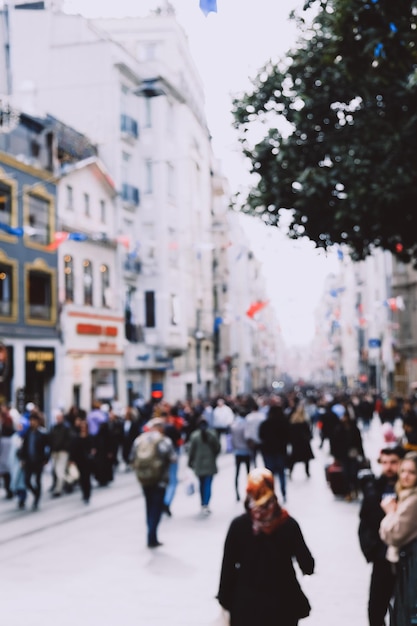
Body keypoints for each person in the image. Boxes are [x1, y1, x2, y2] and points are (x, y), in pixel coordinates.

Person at [217, 467, 314, 626]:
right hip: (283, 603)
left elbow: (227, 566)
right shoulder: (288, 524)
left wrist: (225, 600)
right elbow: (307, 564)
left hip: (246, 604)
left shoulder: (239, 526)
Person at [358, 445, 404, 626]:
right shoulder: (373, 489)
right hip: (382, 558)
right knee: (376, 609)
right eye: (384, 462)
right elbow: (364, 523)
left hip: (405, 558)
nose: (389, 467)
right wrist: (372, 550)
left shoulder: (408, 490)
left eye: (393, 462)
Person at [379, 451, 417, 625]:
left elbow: (394, 535)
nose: (406, 476)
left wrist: (390, 513)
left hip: (408, 567)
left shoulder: (413, 501)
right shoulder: (405, 496)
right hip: (402, 566)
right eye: (403, 471)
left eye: (412, 472)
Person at [132, 417, 176, 548]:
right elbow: (173, 457)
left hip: (144, 479)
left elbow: (131, 457)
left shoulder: (139, 440)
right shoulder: (164, 440)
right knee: (156, 508)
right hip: (160, 479)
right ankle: (152, 535)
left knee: (148, 505)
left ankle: (150, 533)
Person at [329, 403, 365, 501]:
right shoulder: (338, 429)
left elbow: (359, 442)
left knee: (354, 473)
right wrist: (335, 455)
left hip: (353, 454)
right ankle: (348, 492)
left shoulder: (354, 428)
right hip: (343, 455)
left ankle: (355, 489)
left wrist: (362, 454)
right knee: (346, 474)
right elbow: (335, 443)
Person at [188, 416, 221, 514]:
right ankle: (206, 503)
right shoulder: (212, 434)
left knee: (202, 484)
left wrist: (190, 462)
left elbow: (191, 451)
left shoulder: (195, 436)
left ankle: (203, 503)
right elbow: (217, 447)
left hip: (199, 464)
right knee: (207, 485)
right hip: (209, 464)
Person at [258, 402, 290, 502]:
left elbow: (261, 436)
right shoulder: (284, 422)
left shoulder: (265, 423)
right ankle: (283, 492)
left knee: (269, 474)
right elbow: (289, 436)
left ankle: (270, 493)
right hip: (280, 451)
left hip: (268, 451)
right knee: (281, 473)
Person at [19, 411, 50, 510]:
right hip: (28, 460)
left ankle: (37, 499)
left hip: (38, 461)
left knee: (37, 480)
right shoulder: (28, 432)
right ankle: (36, 493)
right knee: (27, 480)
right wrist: (23, 458)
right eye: (31, 420)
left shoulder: (42, 433)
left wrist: (46, 459)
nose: (32, 423)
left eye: (34, 421)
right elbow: (24, 446)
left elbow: (48, 448)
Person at [69, 418, 95, 504]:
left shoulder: (90, 437)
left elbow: (94, 447)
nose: (83, 428)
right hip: (79, 461)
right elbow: (73, 449)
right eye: (82, 427)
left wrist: (92, 452)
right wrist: (71, 460)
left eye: (84, 427)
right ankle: (84, 493)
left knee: (87, 478)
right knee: (81, 479)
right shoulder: (77, 438)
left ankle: (87, 494)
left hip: (87, 462)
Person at [48, 408, 73, 497]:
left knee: (59, 471)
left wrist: (64, 448)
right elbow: (50, 439)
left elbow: (69, 440)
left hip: (63, 452)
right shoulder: (54, 427)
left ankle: (58, 489)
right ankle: (69, 481)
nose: (58, 419)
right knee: (56, 470)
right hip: (54, 452)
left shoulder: (66, 428)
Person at [230, 407, 252, 501]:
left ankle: (237, 493)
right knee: (248, 474)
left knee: (237, 473)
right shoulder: (246, 425)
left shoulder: (234, 425)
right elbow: (247, 437)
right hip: (246, 451)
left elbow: (231, 439)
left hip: (237, 451)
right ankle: (249, 493)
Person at [287, 401, 314, 479]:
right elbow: (308, 432)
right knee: (306, 459)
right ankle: (307, 472)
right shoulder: (304, 422)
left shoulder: (293, 422)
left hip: (296, 443)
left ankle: (291, 471)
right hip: (304, 443)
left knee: (294, 458)